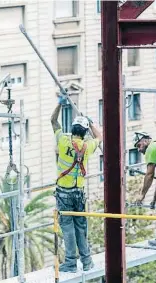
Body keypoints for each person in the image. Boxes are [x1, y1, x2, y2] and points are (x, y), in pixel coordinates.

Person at [50, 95, 103, 272]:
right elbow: (100, 136)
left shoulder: (63, 140)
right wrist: (90, 123)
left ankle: (71, 262)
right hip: (79, 194)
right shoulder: (87, 146)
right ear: (84, 132)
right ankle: (87, 261)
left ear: (72, 129)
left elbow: (53, 121)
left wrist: (59, 104)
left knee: (67, 227)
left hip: (64, 194)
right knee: (81, 226)